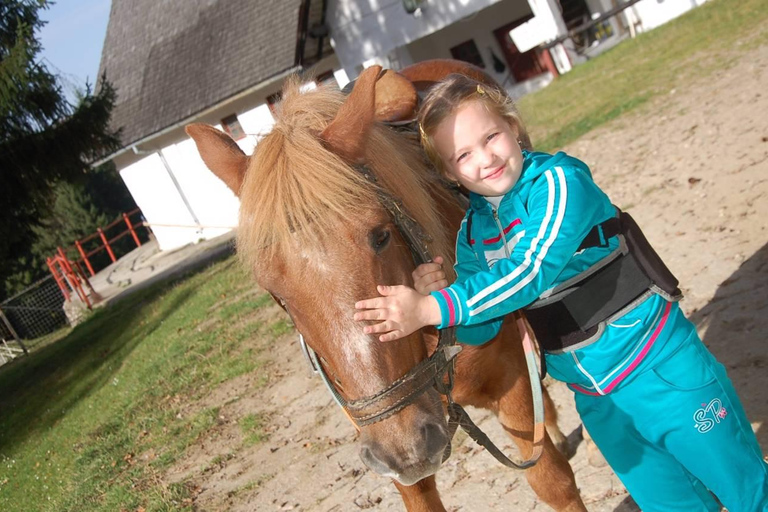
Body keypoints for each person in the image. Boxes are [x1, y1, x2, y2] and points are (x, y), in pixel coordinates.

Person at [353, 74, 768, 511]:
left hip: (659, 367)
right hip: (598, 401)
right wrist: (447, 309)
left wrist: (433, 307)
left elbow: (531, 270)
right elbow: (486, 328)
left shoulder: (559, 182)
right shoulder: (473, 234)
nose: (486, 158)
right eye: (463, 155)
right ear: (449, 173)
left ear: (512, 127)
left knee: (747, 493)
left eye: (491, 136)